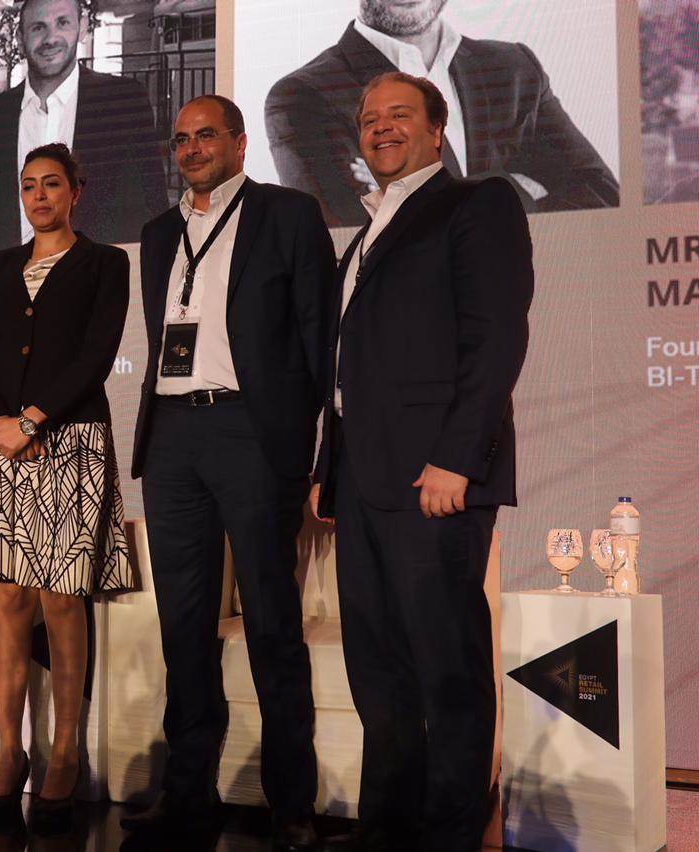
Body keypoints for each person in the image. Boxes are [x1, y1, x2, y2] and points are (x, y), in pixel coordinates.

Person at [310, 72, 532, 850]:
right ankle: (388, 828)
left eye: (399, 115)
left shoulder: (477, 203)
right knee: (379, 674)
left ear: (437, 130)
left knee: (448, 671)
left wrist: (457, 461)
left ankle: (450, 834)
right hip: (364, 482)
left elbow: (496, 338)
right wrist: (328, 470)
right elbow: (351, 365)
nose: (381, 127)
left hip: (435, 480)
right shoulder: (367, 229)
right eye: (369, 118)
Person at [123, 95, 335, 850]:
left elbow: (319, 341)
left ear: (241, 144)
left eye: (206, 135)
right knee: (182, 626)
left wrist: (313, 448)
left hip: (252, 433)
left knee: (273, 621)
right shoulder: (158, 233)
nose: (191, 148)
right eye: (181, 138)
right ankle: (187, 793)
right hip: (172, 436)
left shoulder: (289, 215)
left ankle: (290, 803)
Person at [0, 142, 134, 834]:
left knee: (63, 598)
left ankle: (66, 751)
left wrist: (34, 419)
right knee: (10, 595)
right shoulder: (0, 264)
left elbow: (96, 355)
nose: (39, 196)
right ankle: (9, 751)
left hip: (69, 440)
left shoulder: (106, 263)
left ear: (76, 191)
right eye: (28, 186)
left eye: (51, 184)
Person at [263, 0, 619, 227]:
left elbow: (602, 194)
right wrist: (519, 188)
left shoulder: (514, 68)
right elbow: (356, 239)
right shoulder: (303, 97)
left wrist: (417, 200)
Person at [0, 0, 167, 257]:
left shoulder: (124, 103)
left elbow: (153, 209)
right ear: (20, 38)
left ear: (82, 28)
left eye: (62, 23)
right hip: (12, 277)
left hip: (96, 276)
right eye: (38, 27)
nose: (50, 38)